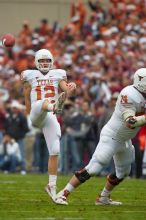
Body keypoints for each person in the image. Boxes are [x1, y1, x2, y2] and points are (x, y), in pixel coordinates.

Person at [56, 68, 146, 205]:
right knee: (95, 168)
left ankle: (103, 198)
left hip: (125, 139)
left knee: (123, 173)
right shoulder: (129, 94)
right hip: (112, 135)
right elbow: (130, 122)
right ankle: (63, 193)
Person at [21, 48, 76, 203]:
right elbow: (26, 96)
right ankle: (54, 106)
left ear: (51, 62)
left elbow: (65, 90)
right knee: (41, 103)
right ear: (36, 62)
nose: (45, 63)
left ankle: (52, 185)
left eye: (47, 60)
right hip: (37, 112)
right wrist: (27, 116)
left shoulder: (59, 74)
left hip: (49, 115)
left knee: (55, 149)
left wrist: (71, 88)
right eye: (42, 61)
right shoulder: (29, 75)